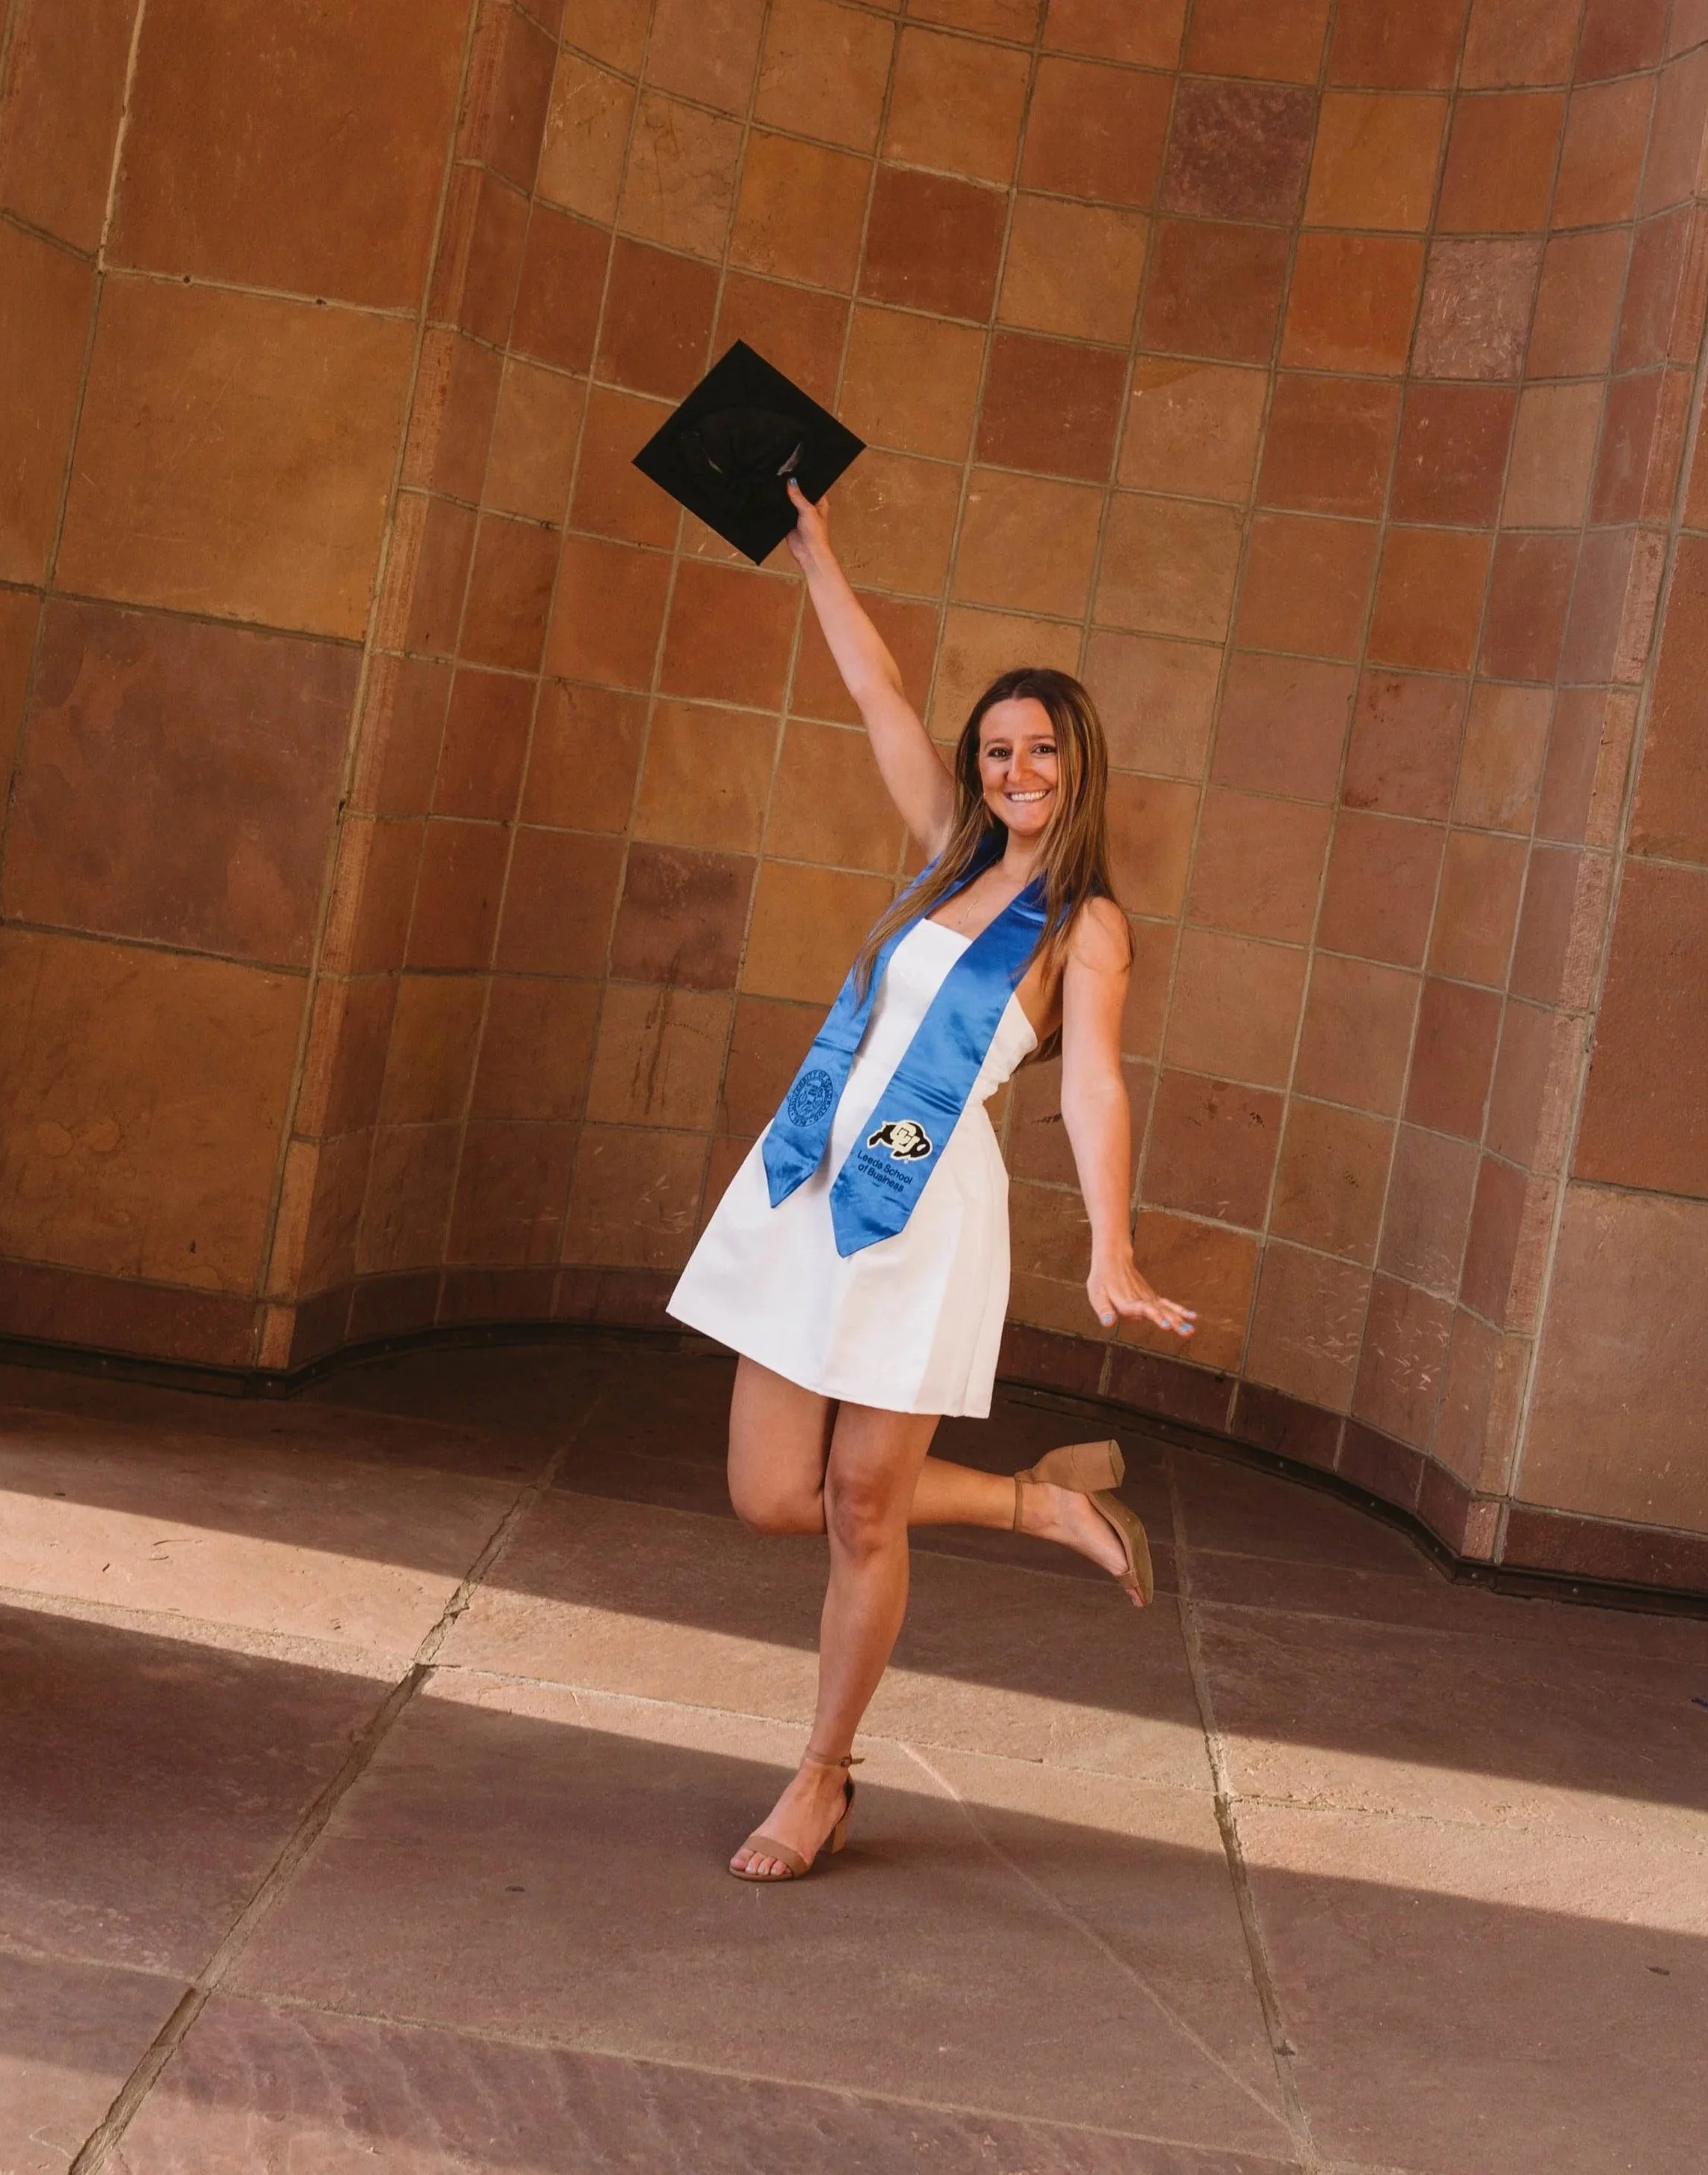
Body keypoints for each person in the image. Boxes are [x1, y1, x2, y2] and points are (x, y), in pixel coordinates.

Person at [668, 481, 1196, 1883]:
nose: (1016, 767)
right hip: (811, 1178)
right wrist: (818, 552)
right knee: (772, 1492)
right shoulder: (943, 847)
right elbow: (876, 688)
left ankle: (824, 1774)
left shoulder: (1086, 926)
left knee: (860, 1505)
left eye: (1040, 749)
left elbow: (1091, 1087)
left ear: (1079, 765)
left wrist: (1112, 1244)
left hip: (924, 1214)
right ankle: (1041, 1503)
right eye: (999, 747)